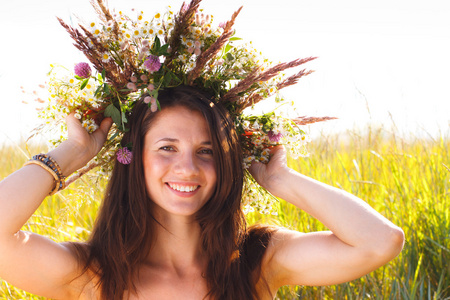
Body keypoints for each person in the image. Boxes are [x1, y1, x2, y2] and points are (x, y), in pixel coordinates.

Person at [0, 85, 404, 299]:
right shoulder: (90, 275)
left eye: (206, 151)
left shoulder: (258, 261)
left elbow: (379, 241)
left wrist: (281, 180)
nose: (188, 168)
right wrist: (72, 152)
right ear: (134, 157)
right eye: (167, 148)